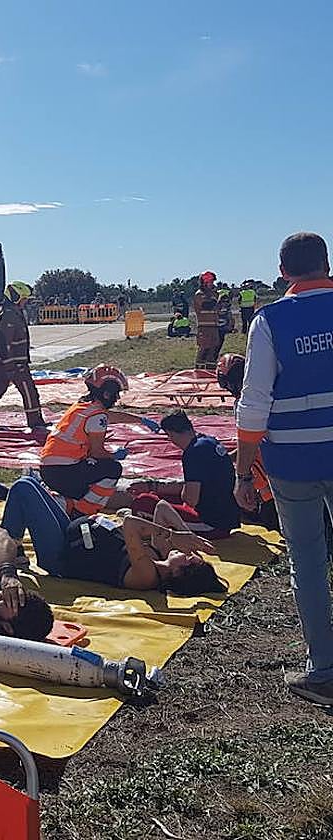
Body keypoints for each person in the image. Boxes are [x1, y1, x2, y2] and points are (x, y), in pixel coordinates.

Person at [235, 231, 333, 705]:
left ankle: (324, 671)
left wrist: (242, 470)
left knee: (309, 563)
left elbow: (254, 403)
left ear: (282, 271)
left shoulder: (270, 319)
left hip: (292, 461)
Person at [0, 476, 225, 609]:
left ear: (179, 571)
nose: (186, 551)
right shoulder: (161, 554)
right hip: (75, 533)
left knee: (22, 489)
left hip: (61, 554)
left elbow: (131, 524)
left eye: (190, 556)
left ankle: (8, 557)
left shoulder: (148, 576)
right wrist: (187, 534)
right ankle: (11, 547)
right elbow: (162, 508)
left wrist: (174, 537)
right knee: (28, 482)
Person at [39, 365, 160, 515]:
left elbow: (110, 416)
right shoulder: (97, 416)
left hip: (50, 468)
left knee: (93, 469)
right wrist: (114, 455)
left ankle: (69, 501)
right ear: (107, 393)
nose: (117, 398)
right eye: (116, 394)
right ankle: (82, 510)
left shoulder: (84, 406)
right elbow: (97, 452)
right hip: (63, 472)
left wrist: (140, 420)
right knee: (112, 469)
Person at [126, 410, 240, 539]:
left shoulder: (193, 453)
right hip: (226, 515)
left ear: (171, 433)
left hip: (211, 524)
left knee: (142, 503)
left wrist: (179, 494)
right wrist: (152, 487)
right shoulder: (208, 441)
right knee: (156, 496)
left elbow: (190, 499)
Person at [215, 353, 277, 529]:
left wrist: (241, 471)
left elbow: (252, 443)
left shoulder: (246, 403)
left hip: (267, 471)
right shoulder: (263, 391)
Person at [0, 282, 47, 430]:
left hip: (10, 363)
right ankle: (35, 422)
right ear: (15, 297)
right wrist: (11, 364)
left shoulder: (11, 311)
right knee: (29, 391)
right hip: (13, 363)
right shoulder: (8, 314)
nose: (25, 302)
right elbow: (3, 342)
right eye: (24, 299)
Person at [193, 271, 221, 370]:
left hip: (214, 326)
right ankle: (199, 370)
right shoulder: (200, 294)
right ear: (204, 282)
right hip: (204, 326)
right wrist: (216, 298)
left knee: (213, 349)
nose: (212, 284)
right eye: (210, 282)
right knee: (204, 348)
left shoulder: (213, 294)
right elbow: (207, 305)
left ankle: (210, 369)